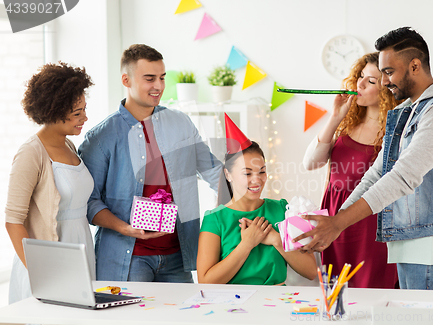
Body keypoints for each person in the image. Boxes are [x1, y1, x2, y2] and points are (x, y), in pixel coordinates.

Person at [295, 27, 433, 290]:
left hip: (428, 242)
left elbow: (402, 176)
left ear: (415, 66)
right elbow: (377, 172)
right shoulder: (407, 112)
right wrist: (337, 223)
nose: (384, 82)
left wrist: (338, 222)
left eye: (388, 72)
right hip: (404, 240)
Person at [79, 44, 221, 282]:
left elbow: (215, 172)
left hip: (178, 255)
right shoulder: (101, 138)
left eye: (162, 78)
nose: (159, 86)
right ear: (126, 79)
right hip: (129, 257)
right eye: (149, 78)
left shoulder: (181, 123)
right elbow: (89, 202)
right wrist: (125, 228)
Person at [303, 52, 400, 289]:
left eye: (371, 81)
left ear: (386, 90)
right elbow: (310, 163)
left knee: (369, 290)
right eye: (361, 76)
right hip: (334, 219)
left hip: (369, 225)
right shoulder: (347, 122)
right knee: (337, 295)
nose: (360, 84)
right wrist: (335, 117)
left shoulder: (394, 133)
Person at [5, 62, 95, 303]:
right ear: (54, 111)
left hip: (80, 251)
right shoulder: (31, 153)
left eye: (84, 109)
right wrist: (41, 272)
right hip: (48, 263)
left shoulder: (69, 145)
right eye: (77, 113)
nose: (85, 118)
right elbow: (13, 221)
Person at [197, 114, 317, 285]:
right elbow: (206, 282)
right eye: (247, 173)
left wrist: (277, 240)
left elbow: (311, 271)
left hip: (276, 304)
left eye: (261, 171)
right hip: (230, 306)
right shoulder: (214, 219)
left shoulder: (283, 209)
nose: (257, 179)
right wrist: (247, 244)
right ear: (228, 174)